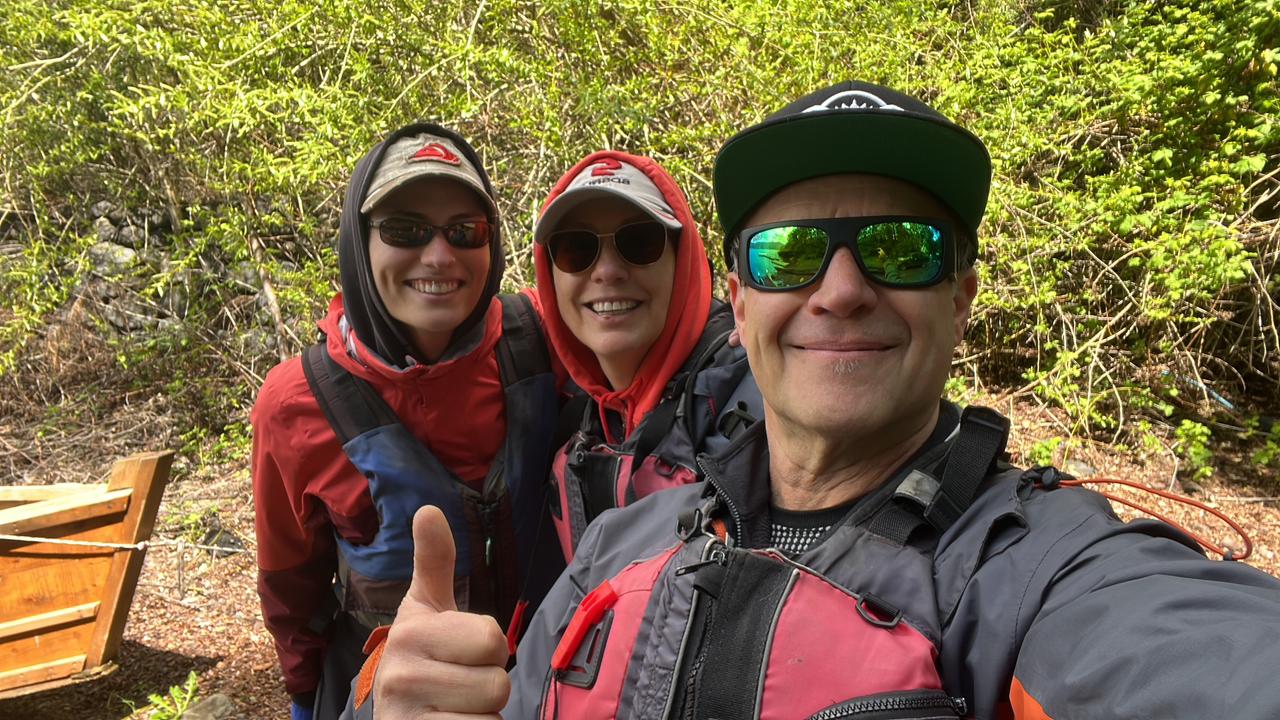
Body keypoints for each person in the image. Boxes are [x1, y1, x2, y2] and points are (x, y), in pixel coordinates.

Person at [347, 83, 1280, 719]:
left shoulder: (1029, 576)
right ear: (743, 296)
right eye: (791, 252)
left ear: (960, 295)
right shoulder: (614, 542)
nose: (839, 290)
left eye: (903, 248)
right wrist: (394, 695)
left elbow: (1194, 654)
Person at [251, 124, 564, 720]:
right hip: (393, 698)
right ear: (358, 241)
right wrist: (304, 696)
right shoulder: (295, 403)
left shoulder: (542, 341)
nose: (439, 255)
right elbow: (292, 588)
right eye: (404, 229)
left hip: (544, 683)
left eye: (465, 230)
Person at [531, 150, 760, 560]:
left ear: (684, 260)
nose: (606, 271)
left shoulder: (756, 394)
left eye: (639, 242)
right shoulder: (571, 417)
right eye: (575, 248)